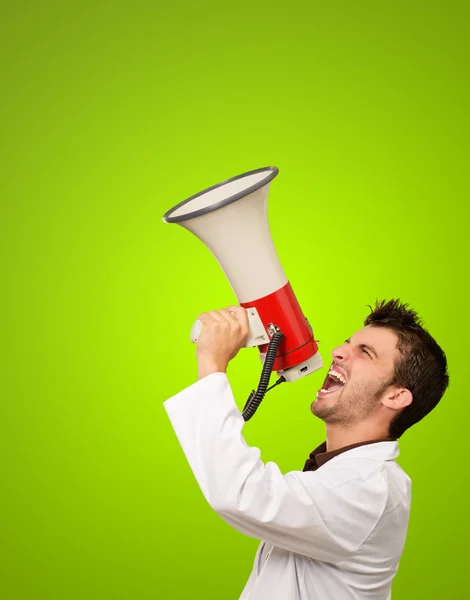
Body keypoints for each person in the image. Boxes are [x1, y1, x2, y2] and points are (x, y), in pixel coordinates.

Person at [163, 299, 449, 599]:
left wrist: (212, 361)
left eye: (365, 352)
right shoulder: (337, 473)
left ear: (396, 397)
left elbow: (242, 492)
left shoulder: (366, 488)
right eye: (348, 342)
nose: (338, 351)